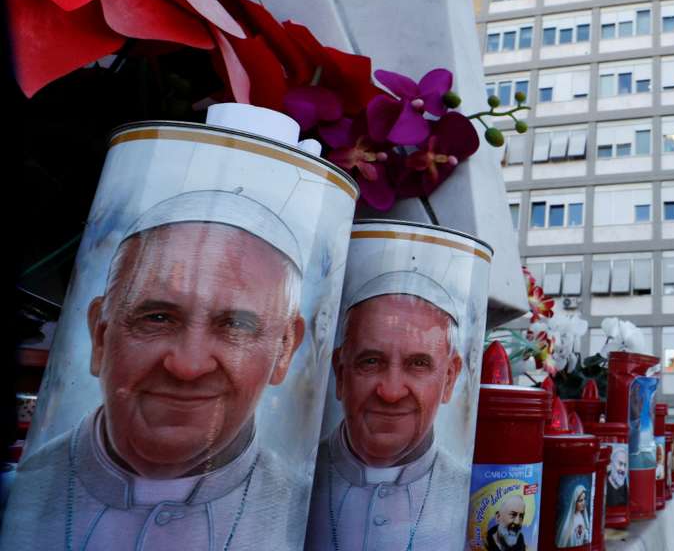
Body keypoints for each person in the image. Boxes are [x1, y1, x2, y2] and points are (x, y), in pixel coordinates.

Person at [0, 191, 309, 551]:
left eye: (235, 325)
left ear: (284, 348)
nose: (188, 367)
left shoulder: (307, 514)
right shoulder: (16, 496)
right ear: (101, 335)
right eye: (157, 318)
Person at [306, 271, 468, 550]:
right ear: (341, 373)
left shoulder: (470, 491)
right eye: (370, 361)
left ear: (449, 378)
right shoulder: (297, 478)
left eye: (418, 364)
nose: (391, 393)